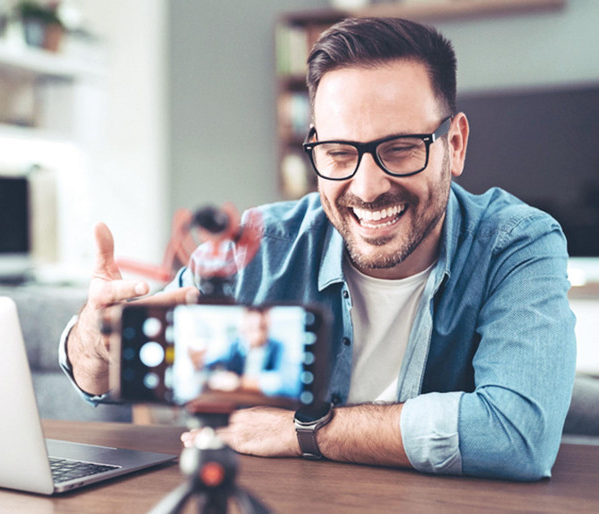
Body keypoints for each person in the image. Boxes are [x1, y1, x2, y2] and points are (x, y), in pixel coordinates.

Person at [59, 17, 576, 481]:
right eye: (339, 152)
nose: (368, 186)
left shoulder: (517, 244)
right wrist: (96, 337)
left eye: (399, 149)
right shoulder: (258, 244)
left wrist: (304, 431)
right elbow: (104, 374)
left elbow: (517, 435)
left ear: (454, 145)